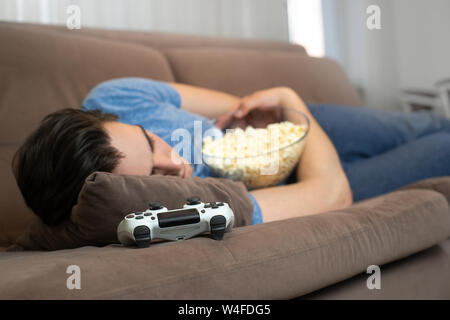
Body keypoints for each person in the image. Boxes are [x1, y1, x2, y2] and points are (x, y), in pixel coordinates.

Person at [13, 78, 450, 227]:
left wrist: (262, 117)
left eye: (150, 140)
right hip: (302, 176)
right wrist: (290, 97)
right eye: (153, 177)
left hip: (282, 125)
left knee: (426, 123)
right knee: (442, 147)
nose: (176, 163)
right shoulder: (185, 215)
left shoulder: (116, 97)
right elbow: (332, 193)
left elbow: (232, 104)